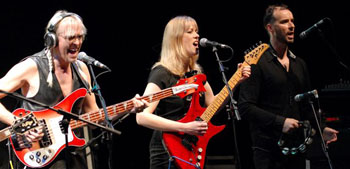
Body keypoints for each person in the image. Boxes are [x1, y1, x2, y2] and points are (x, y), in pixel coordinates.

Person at [0, 10, 146, 169]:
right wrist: (19, 124)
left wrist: (129, 107)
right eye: (70, 38)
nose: (76, 42)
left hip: (74, 155)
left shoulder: (82, 70)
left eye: (80, 37)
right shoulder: (31, 67)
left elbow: (94, 118)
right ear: (52, 40)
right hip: (37, 152)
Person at [135, 15, 251, 169]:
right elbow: (142, 117)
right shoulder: (162, 72)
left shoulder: (196, 74)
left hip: (191, 150)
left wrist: (236, 81)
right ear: (176, 39)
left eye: (197, 31)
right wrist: (184, 127)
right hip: (167, 151)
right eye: (190, 31)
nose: (197, 35)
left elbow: (212, 106)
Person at [237, 4, 338, 169]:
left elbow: (306, 105)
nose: (291, 26)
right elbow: (245, 107)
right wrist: (280, 122)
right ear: (270, 28)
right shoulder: (256, 63)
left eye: (292, 21)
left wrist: (322, 129)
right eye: (284, 22)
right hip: (268, 152)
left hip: (296, 150)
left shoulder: (299, 64)